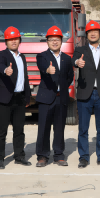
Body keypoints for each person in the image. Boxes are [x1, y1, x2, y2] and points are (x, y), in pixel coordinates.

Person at [73, 20, 100, 168]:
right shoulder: (80, 50)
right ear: (87, 34)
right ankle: (84, 157)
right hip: (85, 94)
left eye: (96, 31)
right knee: (83, 129)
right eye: (90, 31)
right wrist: (77, 62)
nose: (93, 34)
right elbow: (73, 61)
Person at [35, 26, 74, 167]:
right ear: (47, 41)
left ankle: (59, 155)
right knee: (43, 128)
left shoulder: (66, 58)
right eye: (51, 39)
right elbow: (42, 67)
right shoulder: (42, 56)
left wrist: (62, 87)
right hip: (46, 97)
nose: (54, 42)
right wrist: (47, 70)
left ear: (61, 41)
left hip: (61, 97)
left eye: (57, 39)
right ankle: (42, 156)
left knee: (59, 128)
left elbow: (70, 76)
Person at [0, 26, 31, 170]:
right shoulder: (2, 55)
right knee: (1, 130)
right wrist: (5, 70)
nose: (13, 41)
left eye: (16, 39)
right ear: (6, 42)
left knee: (19, 130)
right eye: (10, 39)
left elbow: (25, 78)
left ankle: (19, 156)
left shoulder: (22, 57)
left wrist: (27, 96)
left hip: (19, 98)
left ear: (19, 40)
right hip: (5, 98)